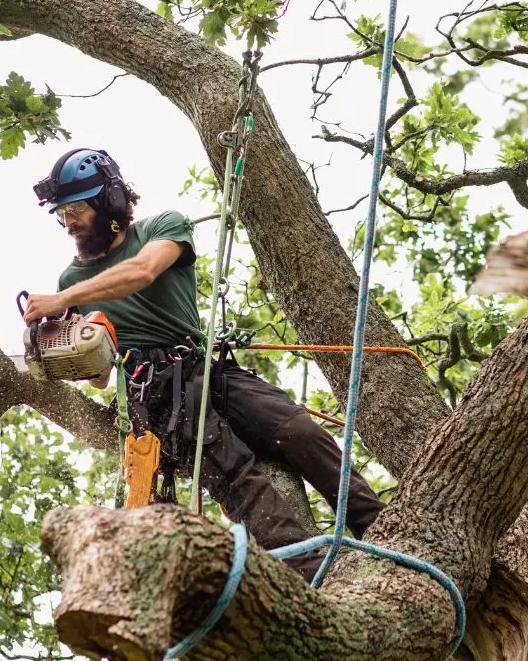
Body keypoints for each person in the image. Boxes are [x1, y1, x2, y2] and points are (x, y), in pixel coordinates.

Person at [22, 147, 387, 581]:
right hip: (154, 389)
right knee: (236, 471)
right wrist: (70, 346)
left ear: (111, 201)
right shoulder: (72, 279)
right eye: (62, 213)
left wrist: (64, 300)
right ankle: (311, 574)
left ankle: (382, 530)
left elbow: (142, 272)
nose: (69, 222)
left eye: (77, 208)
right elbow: (101, 379)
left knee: (298, 430)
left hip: (204, 367)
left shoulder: (162, 228)